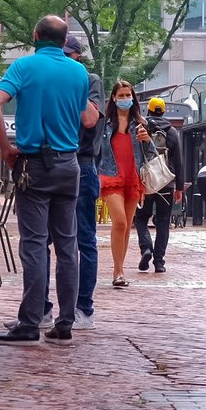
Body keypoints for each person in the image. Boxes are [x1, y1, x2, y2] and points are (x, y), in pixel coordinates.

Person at [0, 15, 98, 347]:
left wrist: (6, 148)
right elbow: (88, 118)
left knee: (34, 245)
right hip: (69, 165)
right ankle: (65, 322)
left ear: (35, 36)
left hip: (33, 163)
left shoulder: (23, 67)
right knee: (68, 246)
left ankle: (30, 322)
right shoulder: (79, 72)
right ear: (64, 42)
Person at [64, 35, 104, 329]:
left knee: (84, 239)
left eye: (68, 55)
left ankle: (83, 309)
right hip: (51, 161)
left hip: (82, 163)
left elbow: (90, 120)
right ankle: (40, 308)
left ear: (78, 56)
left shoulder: (89, 80)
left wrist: (70, 84)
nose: (63, 59)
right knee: (44, 240)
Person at [98, 81, 153, 288]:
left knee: (127, 226)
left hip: (133, 177)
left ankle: (119, 271)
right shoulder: (104, 123)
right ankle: (116, 269)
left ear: (133, 98)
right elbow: (96, 149)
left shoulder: (139, 123)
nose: (124, 99)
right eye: (120, 96)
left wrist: (147, 140)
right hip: (110, 175)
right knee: (119, 222)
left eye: (127, 95)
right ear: (113, 98)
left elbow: (150, 154)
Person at [133, 97, 185, 273]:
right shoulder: (171, 132)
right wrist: (179, 187)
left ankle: (146, 247)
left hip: (146, 182)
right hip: (166, 182)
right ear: (163, 111)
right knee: (163, 222)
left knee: (140, 218)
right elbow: (178, 161)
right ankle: (159, 262)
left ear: (148, 111)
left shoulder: (141, 128)